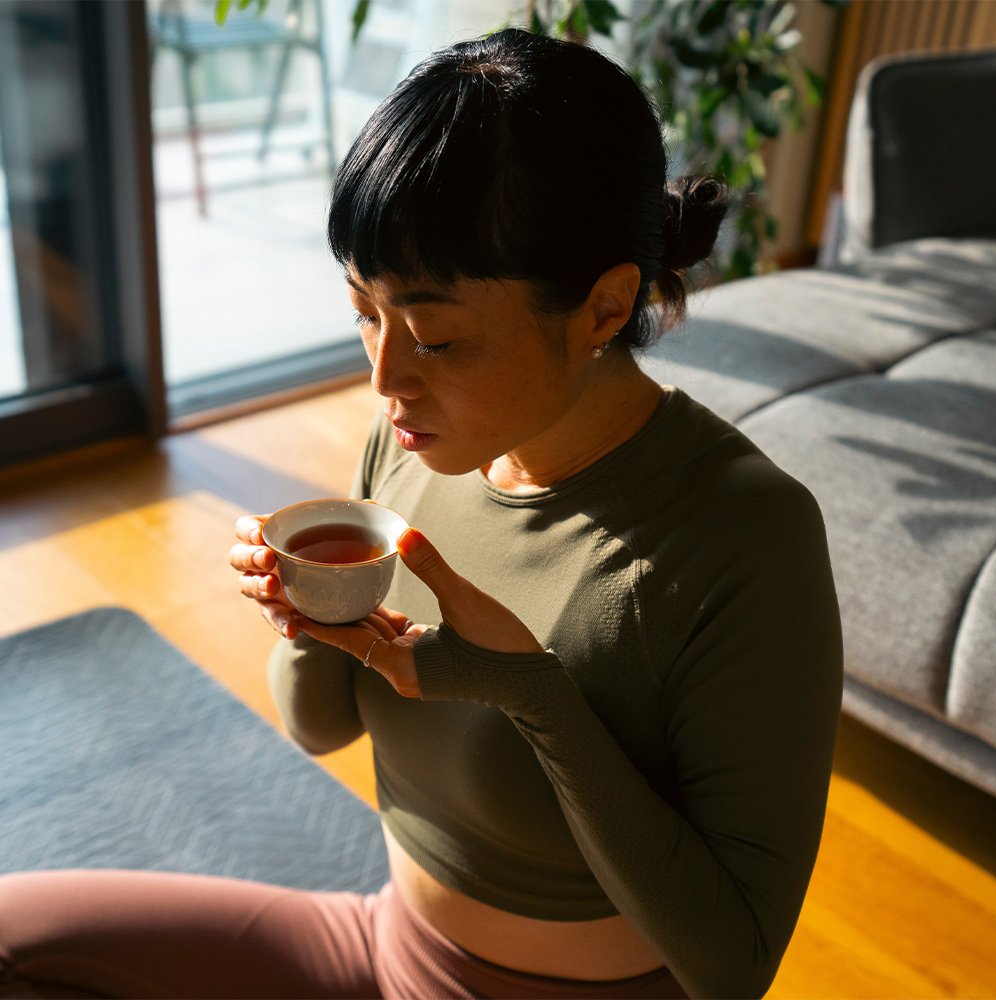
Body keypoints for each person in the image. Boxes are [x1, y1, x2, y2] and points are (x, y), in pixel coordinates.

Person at [0, 27, 843, 1000]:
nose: (383, 377)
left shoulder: (743, 537)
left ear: (606, 308)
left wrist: (533, 692)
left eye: (437, 338)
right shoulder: (411, 449)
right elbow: (319, 727)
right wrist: (314, 614)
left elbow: (732, 965)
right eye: (365, 311)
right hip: (381, 949)